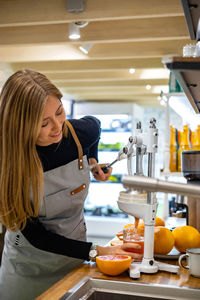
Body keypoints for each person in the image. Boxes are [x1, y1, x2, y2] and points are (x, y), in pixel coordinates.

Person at [0, 69, 142, 300]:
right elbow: (36, 236)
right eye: (44, 123)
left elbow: (95, 127)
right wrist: (96, 251)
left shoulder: (76, 132)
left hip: (74, 259)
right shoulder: (7, 163)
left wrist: (92, 160)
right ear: (20, 125)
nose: (57, 128)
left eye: (59, 112)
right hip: (26, 271)